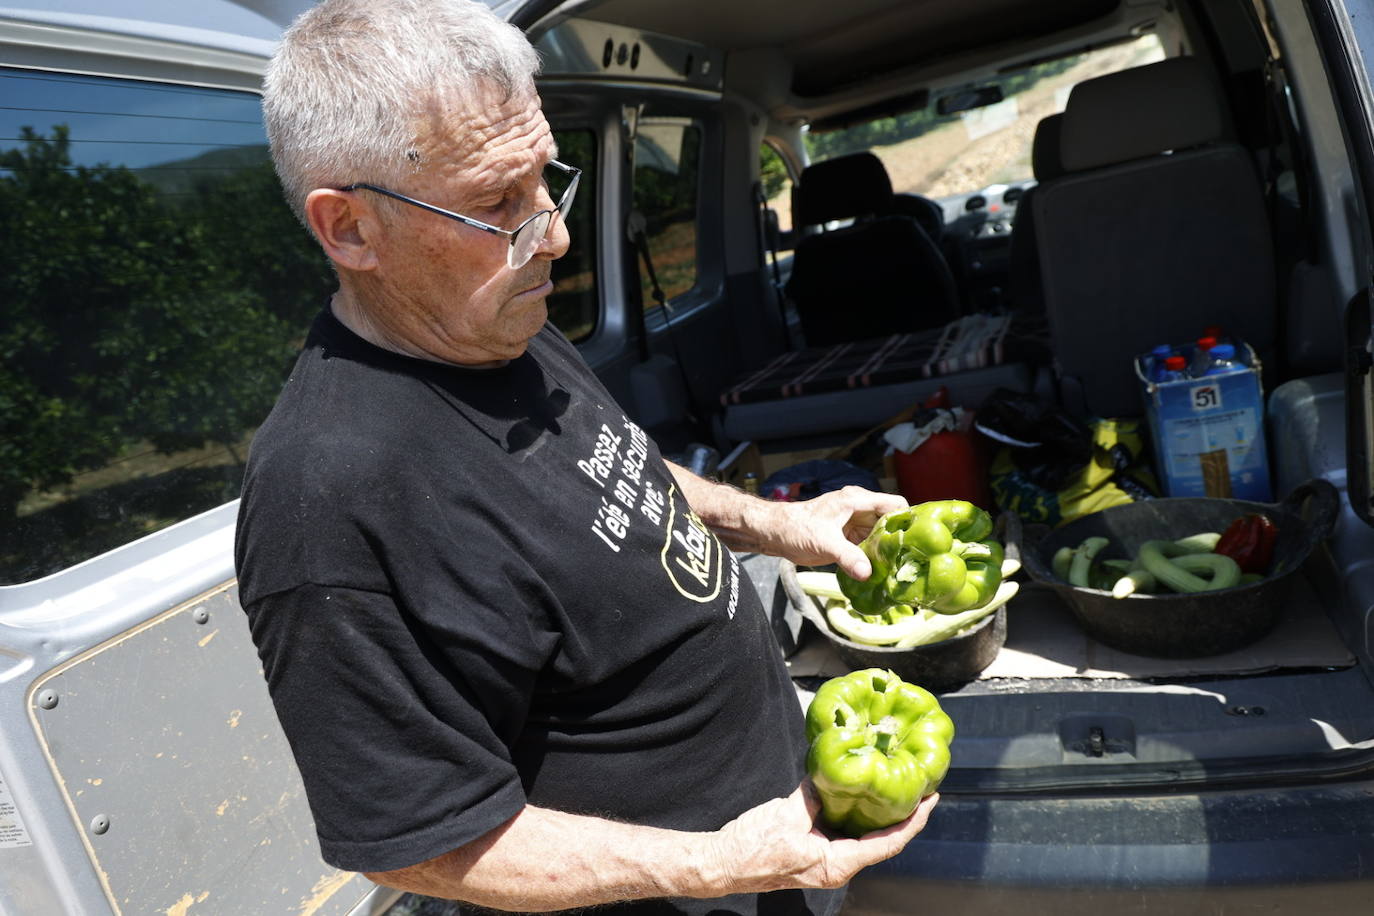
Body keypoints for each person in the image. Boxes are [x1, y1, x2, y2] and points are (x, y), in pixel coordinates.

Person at [234, 1, 937, 912]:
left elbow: (618, 471)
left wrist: (774, 523)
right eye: (497, 201)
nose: (554, 234)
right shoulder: (330, 503)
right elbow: (424, 847)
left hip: (769, 849)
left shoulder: (495, 323)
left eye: (545, 180)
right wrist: (710, 866)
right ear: (349, 230)